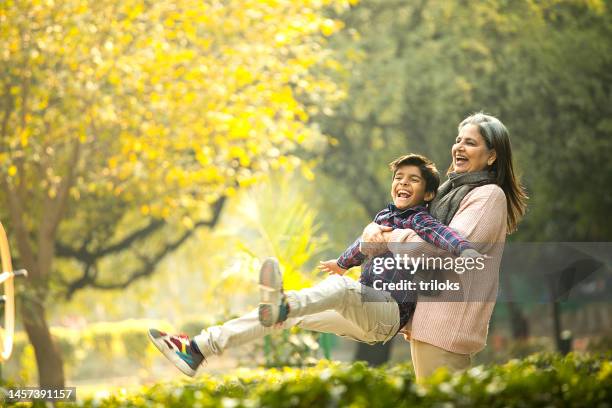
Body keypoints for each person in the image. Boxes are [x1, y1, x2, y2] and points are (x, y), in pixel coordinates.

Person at [147, 154, 484, 377]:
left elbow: (444, 235)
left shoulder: (420, 221)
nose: (403, 183)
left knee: (332, 292)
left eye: (413, 179)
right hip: (365, 310)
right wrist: (342, 262)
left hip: (389, 313)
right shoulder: (383, 218)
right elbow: (361, 247)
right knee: (288, 315)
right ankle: (199, 349)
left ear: (427, 193)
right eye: (399, 177)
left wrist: (465, 250)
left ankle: (281, 305)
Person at [361, 112, 528, 383]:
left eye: (471, 143)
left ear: (492, 156)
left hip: (447, 329)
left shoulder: (488, 196)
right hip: (427, 322)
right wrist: (373, 230)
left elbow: (440, 247)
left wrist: (388, 238)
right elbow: (403, 219)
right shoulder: (447, 192)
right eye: (458, 139)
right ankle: (290, 310)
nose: (459, 147)